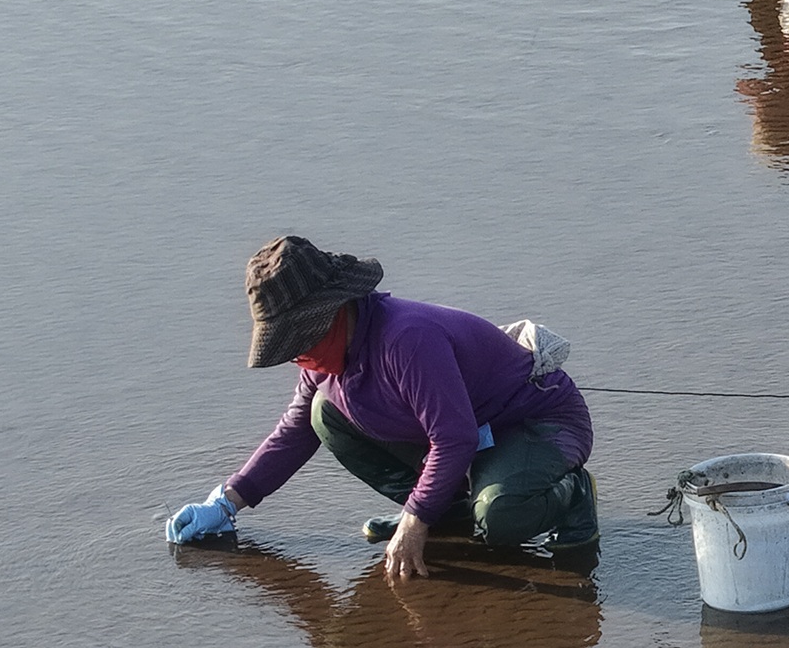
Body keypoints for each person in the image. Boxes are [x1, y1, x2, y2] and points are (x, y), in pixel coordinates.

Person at [166, 236, 598, 577]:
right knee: (323, 413)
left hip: (534, 424)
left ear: (332, 314)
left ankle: (572, 496)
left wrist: (413, 518)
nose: (294, 357)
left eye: (296, 342)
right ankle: (447, 514)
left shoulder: (405, 340)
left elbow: (454, 438)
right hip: (467, 440)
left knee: (501, 517)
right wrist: (225, 502)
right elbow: (295, 430)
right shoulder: (326, 358)